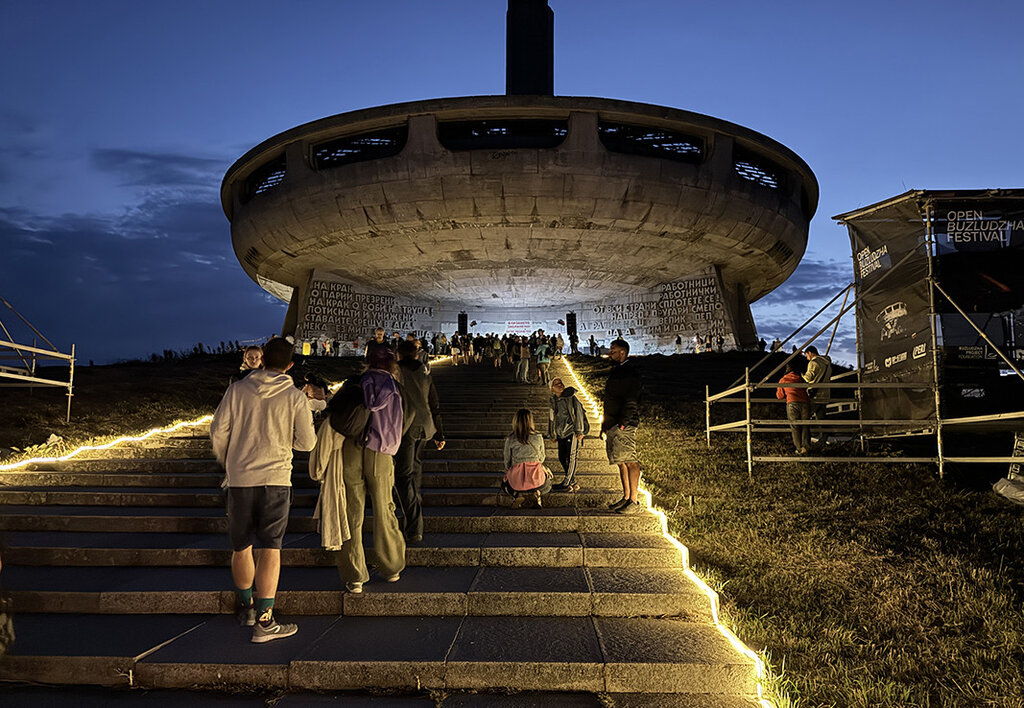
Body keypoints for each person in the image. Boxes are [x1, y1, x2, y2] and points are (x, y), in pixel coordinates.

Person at [211, 337, 316, 643]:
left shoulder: (237, 389)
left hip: (241, 479)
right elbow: (307, 443)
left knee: (241, 545)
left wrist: (230, 462)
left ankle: (246, 607)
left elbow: (218, 431)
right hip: (276, 479)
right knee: (271, 547)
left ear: (261, 359)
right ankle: (266, 620)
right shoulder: (295, 397)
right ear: (290, 365)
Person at [333, 347, 408, 593]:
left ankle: (354, 574)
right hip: (381, 451)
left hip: (351, 447)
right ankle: (392, 566)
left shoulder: (355, 382)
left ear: (367, 362)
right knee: (384, 506)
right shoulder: (394, 386)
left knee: (352, 509)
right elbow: (409, 416)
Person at [394, 340, 446, 543]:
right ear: (416, 355)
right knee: (414, 466)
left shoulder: (398, 372)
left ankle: (415, 525)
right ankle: (414, 503)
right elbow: (435, 403)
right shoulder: (425, 372)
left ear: (400, 355)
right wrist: (440, 434)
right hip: (426, 425)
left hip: (407, 425)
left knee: (403, 475)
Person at [602, 339, 643, 515]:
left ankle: (633, 500)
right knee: (621, 462)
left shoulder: (629, 372)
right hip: (613, 422)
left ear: (623, 353)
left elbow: (631, 399)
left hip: (623, 423)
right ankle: (626, 497)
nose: (610, 352)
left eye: (613, 350)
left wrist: (625, 422)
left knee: (630, 460)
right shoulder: (618, 370)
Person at [502, 408, 552, 508]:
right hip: (536, 478)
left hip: (516, 479)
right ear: (531, 421)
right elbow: (541, 458)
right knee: (548, 483)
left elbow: (507, 462)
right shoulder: (538, 436)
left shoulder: (510, 438)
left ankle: (518, 495)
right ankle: (537, 492)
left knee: (505, 485)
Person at [548, 378, 588, 492]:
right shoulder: (553, 401)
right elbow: (551, 418)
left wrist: (580, 431)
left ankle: (566, 483)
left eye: (561, 382)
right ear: (552, 389)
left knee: (571, 457)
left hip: (572, 431)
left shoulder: (571, 397)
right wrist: (552, 433)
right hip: (561, 433)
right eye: (556, 384)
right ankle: (573, 482)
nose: (560, 384)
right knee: (562, 457)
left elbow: (578, 413)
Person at [776, 361, 810, 454]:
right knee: (805, 425)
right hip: (805, 403)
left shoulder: (783, 379)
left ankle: (799, 449)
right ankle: (806, 446)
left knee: (795, 426)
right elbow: (806, 387)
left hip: (792, 403)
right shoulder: (800, 378)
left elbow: (780, 396)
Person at [802, 346, 834, 445]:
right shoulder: (827, 363)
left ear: (810, 353)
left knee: (805, 418)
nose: (806, 356)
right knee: (822, 419)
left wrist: (802, 376)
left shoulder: (813, 363)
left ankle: (805, 442)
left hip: (815, 395)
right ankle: (823, 440)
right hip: (825, 395)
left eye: (806, 354)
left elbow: (809, 377)